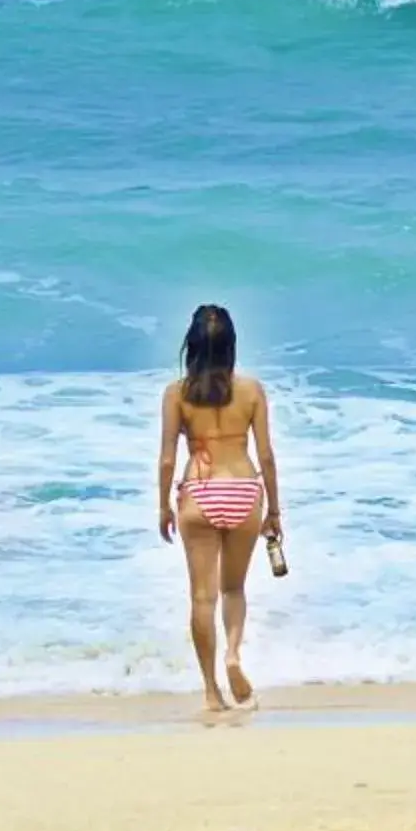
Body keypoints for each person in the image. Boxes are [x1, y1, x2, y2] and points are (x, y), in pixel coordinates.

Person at [156, 303, 283, 713]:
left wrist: (163, 506)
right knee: (233, 589)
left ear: (191, 346)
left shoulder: (177, 394)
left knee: (202, 598)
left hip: (200, 492)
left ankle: (212, 692)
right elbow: (266, 456)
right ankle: (232, 654)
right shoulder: (251, 391)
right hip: (244, 490)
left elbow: (166, 459)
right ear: (231, 346)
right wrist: (274, 512)